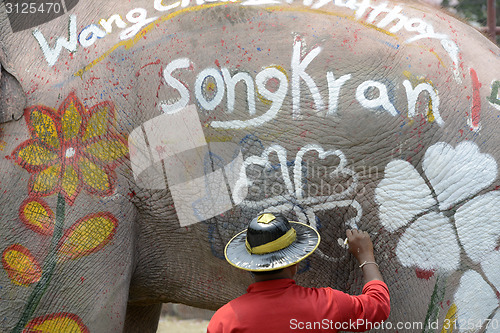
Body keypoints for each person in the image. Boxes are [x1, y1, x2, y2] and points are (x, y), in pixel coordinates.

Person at [207, 213, 390, 333]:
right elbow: (379, 306)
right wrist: (365, 255)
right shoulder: (327, 304)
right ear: (294, 261)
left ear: (249, 265)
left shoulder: (224, 321)